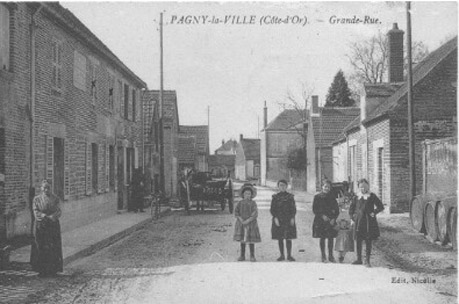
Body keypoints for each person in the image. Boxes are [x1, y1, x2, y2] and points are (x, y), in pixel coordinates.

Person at [30, 180, 63, 277]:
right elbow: (35, 211)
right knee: (41, 246)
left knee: (52, 246)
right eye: (44, 187)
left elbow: (59, 210)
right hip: (41, 226)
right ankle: (41, 270)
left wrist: (53, 216)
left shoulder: (55, 199)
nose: (46, 190)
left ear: (50, 188)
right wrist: (43, 215)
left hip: (52, 226)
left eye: (48, 188)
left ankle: (53, 269)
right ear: (41, 188)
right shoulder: (37, 199)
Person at [349, 178, 384, 267]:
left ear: (368, 187)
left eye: (365, 187)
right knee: (358, 240)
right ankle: (359, 259)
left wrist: (374, 212)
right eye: (361, 187)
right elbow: (351, 209)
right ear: (358, 188)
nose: (363, 189)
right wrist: (352, 217)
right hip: (358, 222)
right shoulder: (356, 197)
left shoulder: (372, 196)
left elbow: (380, 206)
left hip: (369, 222)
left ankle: (367, 260)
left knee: (368, 240)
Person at [312, 179, 339, 263]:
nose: (326, 188)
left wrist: (334, 219)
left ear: (330, 188)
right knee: (322, 238)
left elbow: (337, 210)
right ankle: (323, 256)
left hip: (330, 221)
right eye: (325, 186)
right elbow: (314, 209)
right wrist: (322, 215)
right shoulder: (317, 197)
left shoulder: (332, 198)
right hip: (320, 221)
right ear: (322, 187)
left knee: (330, 238)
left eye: (328, 187)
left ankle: (331, 256)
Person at [270, 179, 297, 261]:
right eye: (280, 185)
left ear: (286, 186)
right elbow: (272, 209)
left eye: (284, 185)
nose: (282, 187)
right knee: (280, 238)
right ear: (278, 187)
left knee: (288, 238)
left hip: (288, 219)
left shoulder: (290, 197)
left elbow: (293, 209)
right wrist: (275, 218)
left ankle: (289, 255)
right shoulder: (275, 197)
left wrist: (292, 218)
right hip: (279, 219)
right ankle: (282, 255)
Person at [233, 183, 261, 262]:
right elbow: (236, 212)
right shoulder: (240, 203)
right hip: (241, 224)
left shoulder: (253, 203)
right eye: (246, 194)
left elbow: (255, 213)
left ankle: (252, 255)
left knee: (251, 240)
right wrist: (241, 220)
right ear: (243, 194)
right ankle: (242, 255)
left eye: (249, 194)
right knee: (243, 240)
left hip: (251, 224)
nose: (247, 195)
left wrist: (248, 220)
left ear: (251, 195)